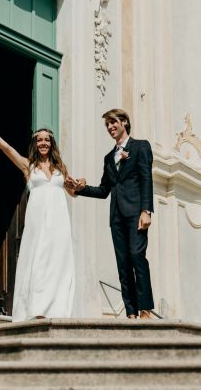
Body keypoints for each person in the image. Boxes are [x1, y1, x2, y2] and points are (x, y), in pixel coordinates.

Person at [0, 112, 75, 321]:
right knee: (39, 262)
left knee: (58, 263)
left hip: (59, 224)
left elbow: (72, 191)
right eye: (39, 140)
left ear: (52, 143)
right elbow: (4, 147)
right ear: (35, 143)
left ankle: (57, 310)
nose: (43, 143)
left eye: (47, 140)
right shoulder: (28, 166)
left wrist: (80, 183)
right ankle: (38, 310)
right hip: (38, 223)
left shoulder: (60, 168)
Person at [70, 109, 155, 319]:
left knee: (137, 256)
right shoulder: (109, 158)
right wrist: (79, 188)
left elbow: (146, 179)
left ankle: (145, 309)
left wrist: (146, 210)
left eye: (113, 122)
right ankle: (131, 313)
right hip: (116, 217)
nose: (110, 127)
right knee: (123, 264)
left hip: (136, 213)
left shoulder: (141, 146)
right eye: (107, 125)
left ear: (124, 122)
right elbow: (103, 190)